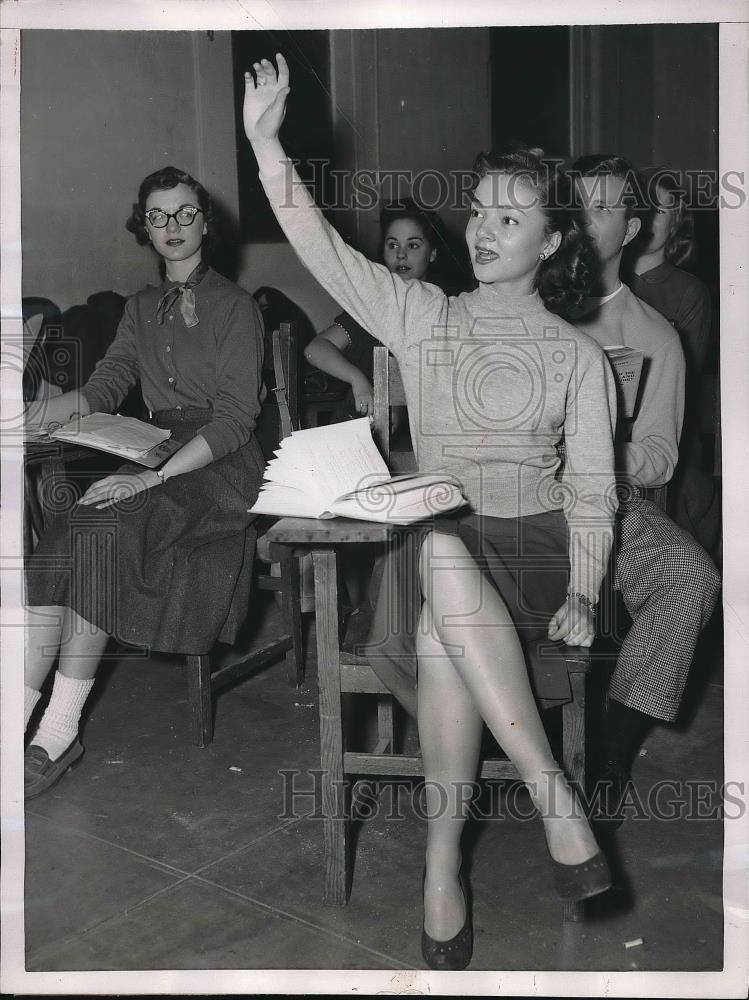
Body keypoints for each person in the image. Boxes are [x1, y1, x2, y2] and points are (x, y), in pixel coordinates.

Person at [243, 55, 618, 971]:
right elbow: (322, 247)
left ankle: (440, 870)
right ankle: (552, 798)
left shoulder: (580, 360)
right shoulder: (419, 314)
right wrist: (264, 145)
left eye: (508, 217)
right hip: (437, 555)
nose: (482, 229)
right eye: (479, 210)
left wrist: (582, 588)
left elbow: (595, 495)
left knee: (449, 616)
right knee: (443, 556)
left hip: (528, 562)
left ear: (554, 244)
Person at [23, 166, 266, 798]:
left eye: (186, 213)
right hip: (157, 447)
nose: (173, 228)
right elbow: (106, 385)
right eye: (159, 217)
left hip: (218, 462)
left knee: (105, 526)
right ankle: (13, 722)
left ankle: (57, 729)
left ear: (205, 222)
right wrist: (35, 415)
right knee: (72, 527)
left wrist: (150, 477)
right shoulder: (136, 308)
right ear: (145, 227)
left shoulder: (238, 308)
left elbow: (237, 420)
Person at [569, 155, 721, 827]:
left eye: (598, 209)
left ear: (631, 227)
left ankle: (610, 749)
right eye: (571, 205)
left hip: (606, 499)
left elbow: (658, 458)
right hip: (505, 495)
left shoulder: (653, 333)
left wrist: (586, 450)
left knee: (690, 573)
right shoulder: (514, 302)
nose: (579, 221)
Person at [626, 166, 720, 558]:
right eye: (641, 209)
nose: (648, 219)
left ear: (676, 223)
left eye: (659, 212)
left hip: (668, 431)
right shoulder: (604, 284)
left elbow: (689, 381)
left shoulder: (689, 291)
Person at [304, 199, 450, 421]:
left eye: (412, 245)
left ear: (432, 253)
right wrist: (357, 378)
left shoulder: (447, 309)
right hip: (361, 426)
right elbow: (315, 349)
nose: (400, 255)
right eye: (392, 245)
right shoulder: (373, 303)